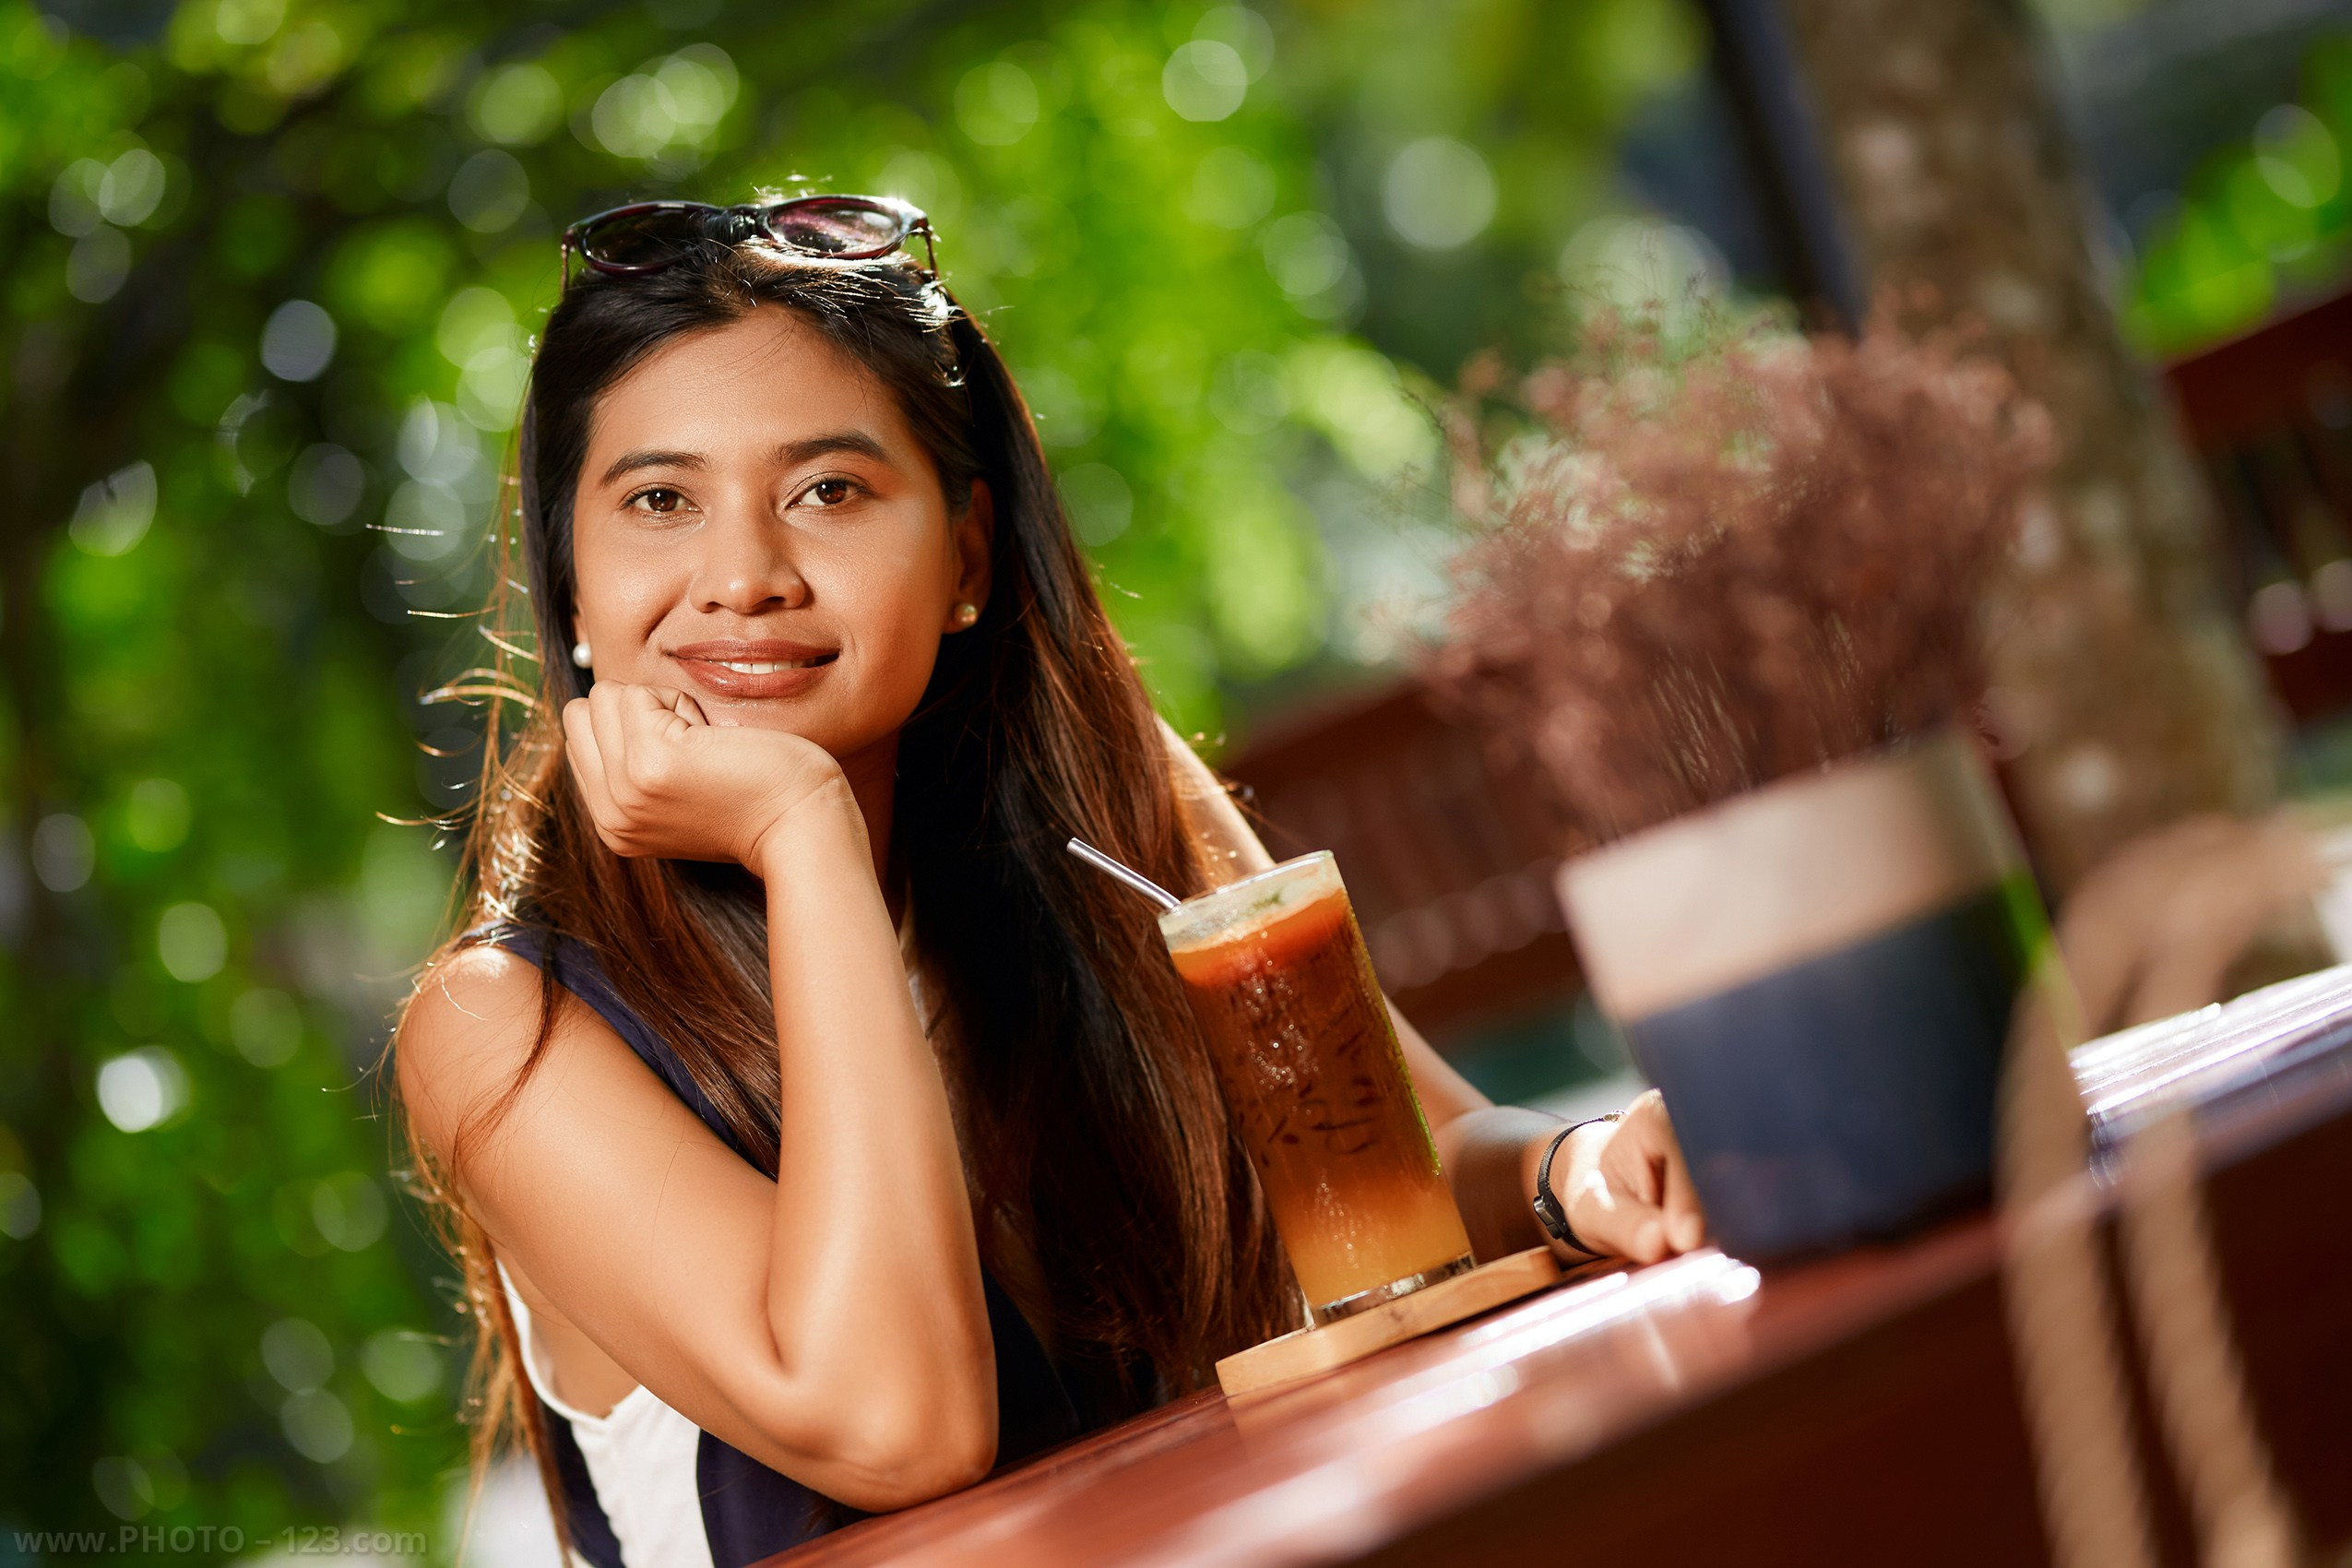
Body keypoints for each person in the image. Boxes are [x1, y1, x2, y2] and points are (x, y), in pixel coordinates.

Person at [393, 194, 1707, 1568]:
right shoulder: (502, 1029)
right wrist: (801, 834)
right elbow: (898, 1429)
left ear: (965, 554)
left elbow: (1409, 1169)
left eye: (827, 492)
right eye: (660, 502)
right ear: (572, 582)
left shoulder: (1092, 808)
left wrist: (1580, 1169)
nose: (742, 576)